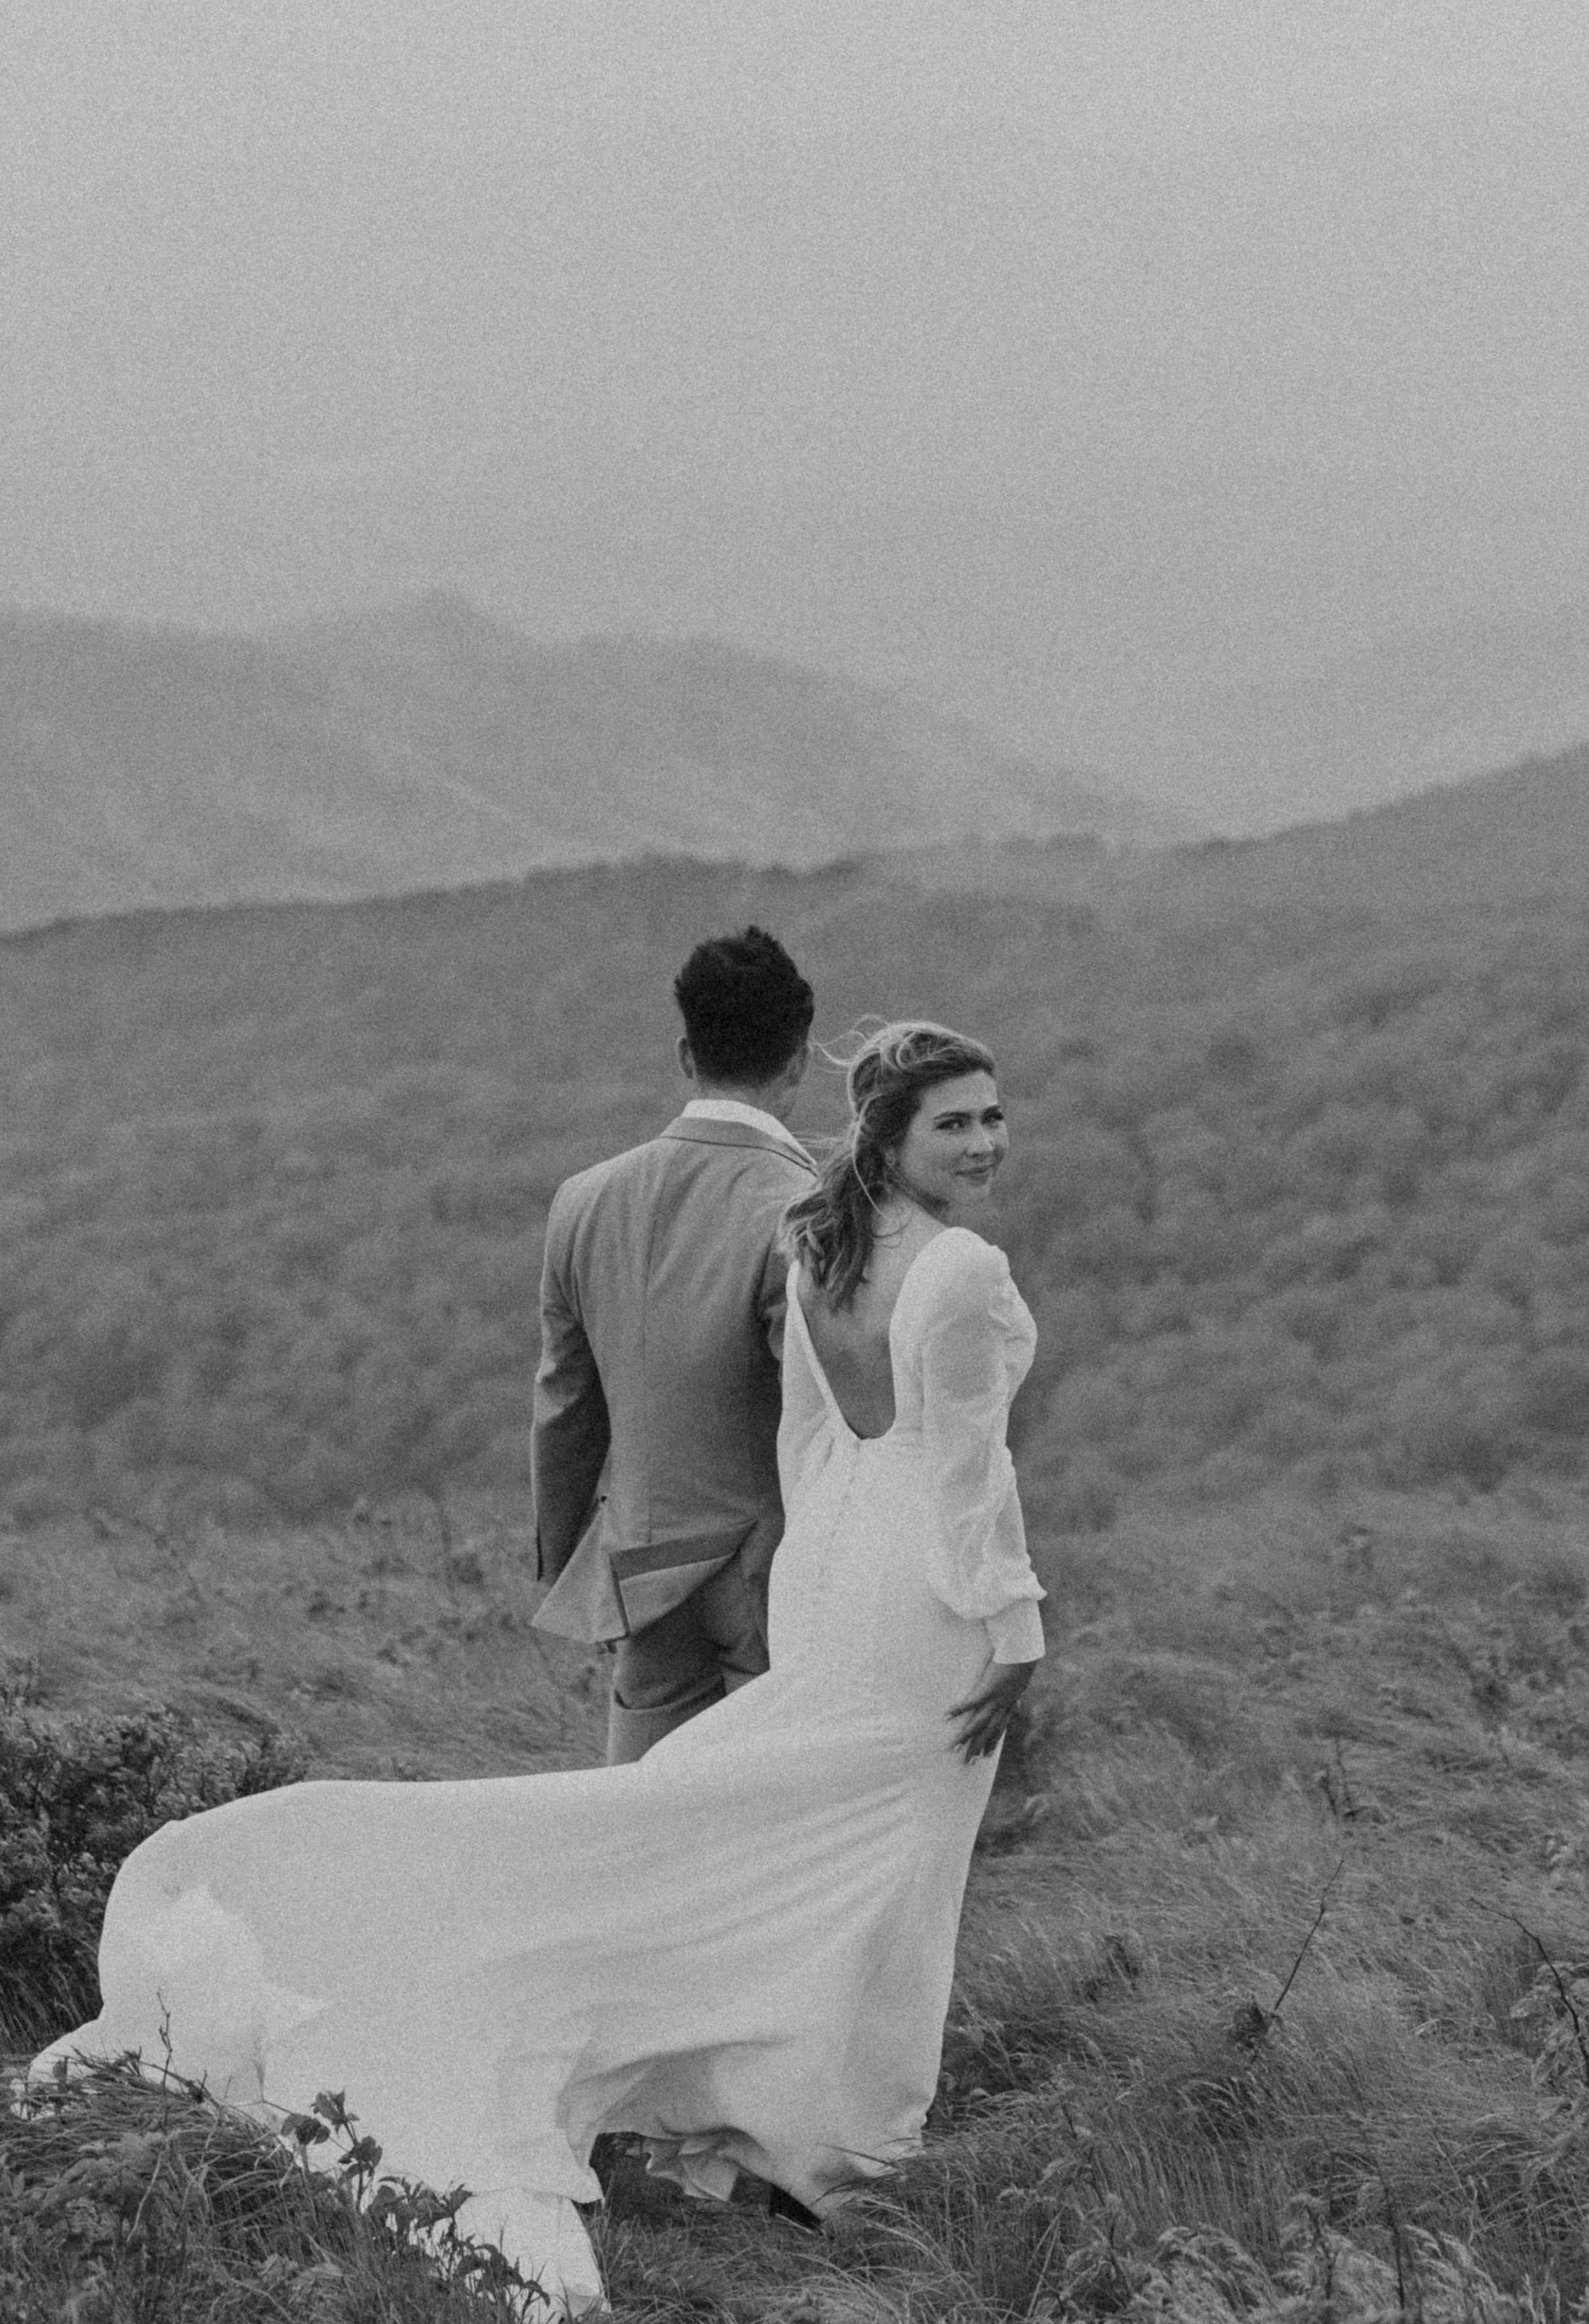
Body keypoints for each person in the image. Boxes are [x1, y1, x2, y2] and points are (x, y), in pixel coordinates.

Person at [31, 1019, 1045, 2318]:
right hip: (929, 1603)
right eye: (957, 1121)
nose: (986, 1141)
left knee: (789, 1847)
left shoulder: (820, 1247)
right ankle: (838, 2146)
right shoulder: (962, 1268)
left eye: (993, 1117)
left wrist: (820, 1583)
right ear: (890, 1137)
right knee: (895, 1871)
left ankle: (781, 2127)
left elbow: (810, 1447)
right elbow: (969, 1475)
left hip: (843, 1578)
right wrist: (1015, 1631)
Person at [532, 925, 818, 1762]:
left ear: (686, 1054)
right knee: (778, 1818)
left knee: (641, 1819)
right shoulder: (805, 1208)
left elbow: (564, 1408)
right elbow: (822, 1411)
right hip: (771, 1570)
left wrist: (563, 1565)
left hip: (641, 1571)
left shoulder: (582, 1200)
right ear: (799, 1062)